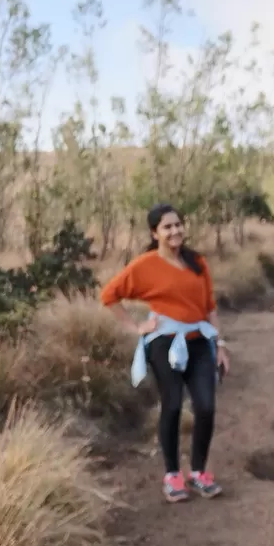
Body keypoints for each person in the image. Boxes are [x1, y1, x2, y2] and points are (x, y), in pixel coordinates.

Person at [101, 204, 230, 503]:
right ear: (154, 233)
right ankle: (173, 476)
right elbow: (109, 295)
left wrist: (220, 346)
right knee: (172, 405)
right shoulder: (144, 265)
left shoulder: (197, 262)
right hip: (164, 342)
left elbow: (210, 307)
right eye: (167, 227)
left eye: (178, 225)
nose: (175, 231)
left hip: (199, 342)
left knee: (206, 406)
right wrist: (136, 327)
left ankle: (198, 473)